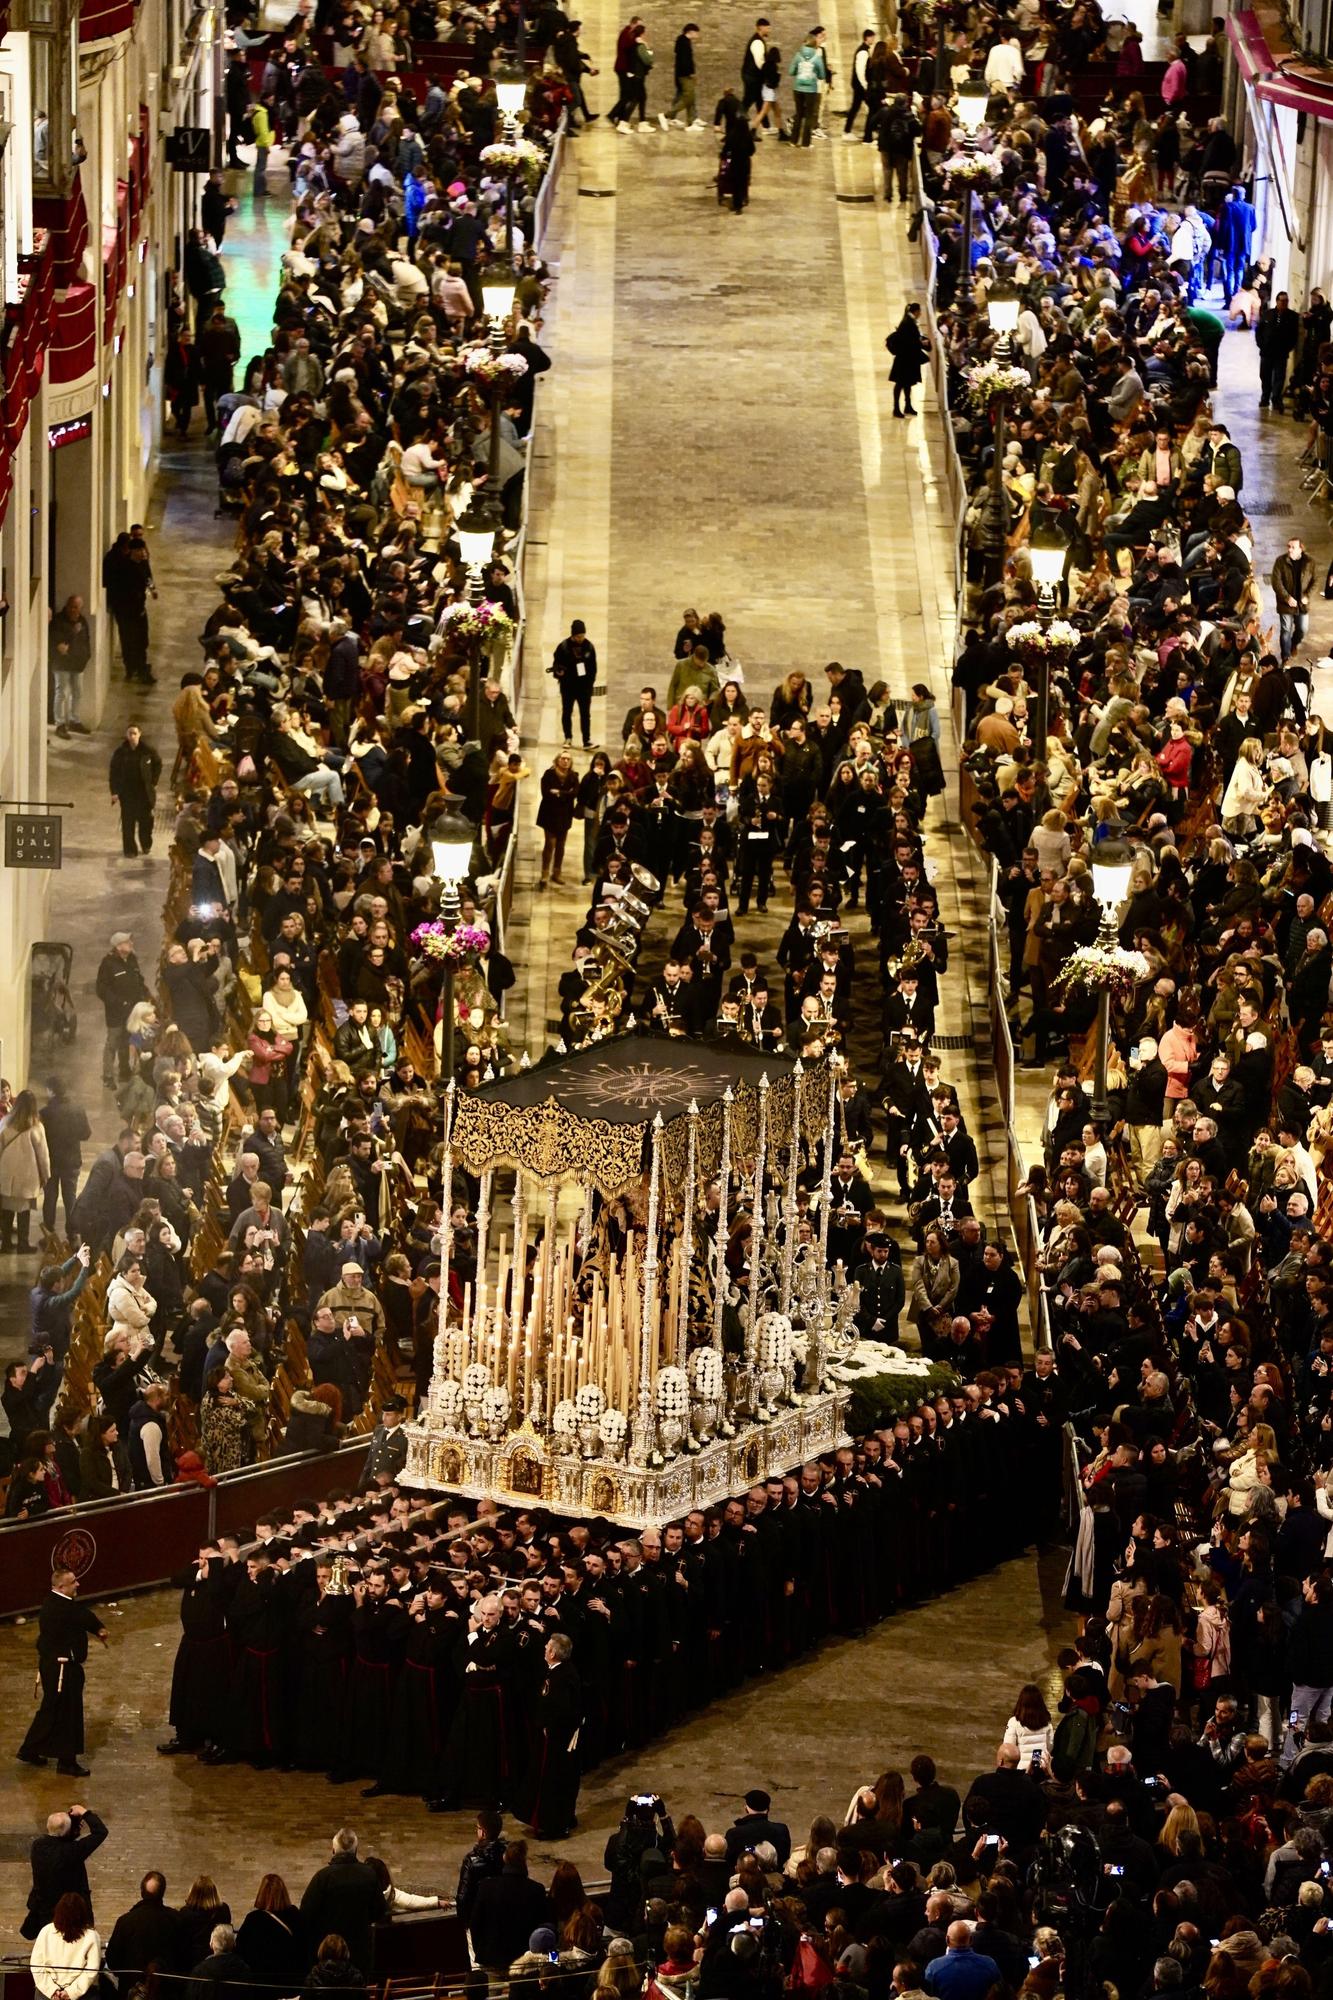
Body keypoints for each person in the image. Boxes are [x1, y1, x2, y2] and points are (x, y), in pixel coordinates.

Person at [17, 1566, 109, 1776]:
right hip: (63, 1669)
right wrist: (99, 1629)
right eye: (73, 1582)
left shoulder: (53, 1602)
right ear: (61, 1586)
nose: (78, 1584)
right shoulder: (63, 1608)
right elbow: (82, 1616)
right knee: (69, 1713)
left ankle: (30, 1749)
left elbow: (82, 1615)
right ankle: (66, 1761)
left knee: (51, 1709)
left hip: (52, 1666)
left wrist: (97, 1628)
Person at [299, 1830, 385, 1975]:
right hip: (359, 1950)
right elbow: (379, 1911)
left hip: (329, 1952)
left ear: (333, 1850)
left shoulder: (323, 1877)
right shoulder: (369, 1875)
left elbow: (306, 1914)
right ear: (356, 1850)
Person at [21, 1808, 110, 1941]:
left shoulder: (38, 1846)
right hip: (72, 1912)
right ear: (67, 1832)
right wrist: (85, 1813)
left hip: (45, 1910)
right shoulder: (73, 1851)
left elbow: (60, 1840)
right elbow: (100, 1832)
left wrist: (70, 1828)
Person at [0, 1090, 50, 1252]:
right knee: (24, 1212)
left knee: (6, 1211)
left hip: (6, 1176)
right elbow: (43, 1155)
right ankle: (23, 1244)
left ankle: (6, 1243)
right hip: (27, 1177)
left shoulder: (6, 1122)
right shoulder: (36, 1126)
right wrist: (46, 1175)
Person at [31, 1892, 103, 2000]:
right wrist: (71, 1992)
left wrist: (52, 1990)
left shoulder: (45, 1931)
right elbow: (91, 1970)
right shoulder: (92, 1935)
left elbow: (36, 1965)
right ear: (83, 1913)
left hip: (46, 1995)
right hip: (82, 1996)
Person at [108, 723, 163, 859]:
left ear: (139, 734)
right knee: (128, 822)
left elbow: (158, 764)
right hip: (127, 793)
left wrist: (154, 781)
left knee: (146, 821)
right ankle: (130, 849)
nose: (132, 736)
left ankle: (146, 844)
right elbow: (114, 772)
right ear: (126, 735)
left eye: (134, 733)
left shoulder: (148, 751)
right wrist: (114, 792)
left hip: (144, 793)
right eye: (129, 733)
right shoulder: (121, 752)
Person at [48, 595, 93, 739]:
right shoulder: (58, 621)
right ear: (67, 606)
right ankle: (60, 723)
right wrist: (73, 632)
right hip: (62, 664)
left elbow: (86, 640)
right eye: (73, 607)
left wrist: (87, 656)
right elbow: (58, 642)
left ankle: (74, 720)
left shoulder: (82, 621)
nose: (75, 611)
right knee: (61, 693)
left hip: (78, 664)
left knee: (77, 692)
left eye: (78, 608)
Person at [550, 621, 598, 750]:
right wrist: (559, 673)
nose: (580, 638)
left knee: (585, 714)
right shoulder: (563, 647)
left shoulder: (589, 647)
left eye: (582, 635)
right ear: (573, 635)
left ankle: (586, 740)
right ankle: (568, 737)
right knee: (567, 712)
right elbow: (556, 665)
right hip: (568, 687)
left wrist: (590, 684)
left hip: (584, 688)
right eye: (578, 636)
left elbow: (593, 668)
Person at [886, 304, 928, 418]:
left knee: (907, 383)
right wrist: (921, 343)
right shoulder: (908, 323)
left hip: (908, 359)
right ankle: (896, 408)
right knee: (900, 384)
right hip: (905, 359)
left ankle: (907, 406)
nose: (920, 314)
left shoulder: (909, 321)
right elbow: (909, 341)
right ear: (917, 311)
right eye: (920, 311)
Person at [788, 28, 828, 146]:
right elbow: (822, 75)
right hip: (811, 89)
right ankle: (806, 143)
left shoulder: (798, 55)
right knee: (809, 116)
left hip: (797, 89)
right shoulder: (817, 57)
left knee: (799, 114)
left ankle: (793, 140)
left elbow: (791, 71)